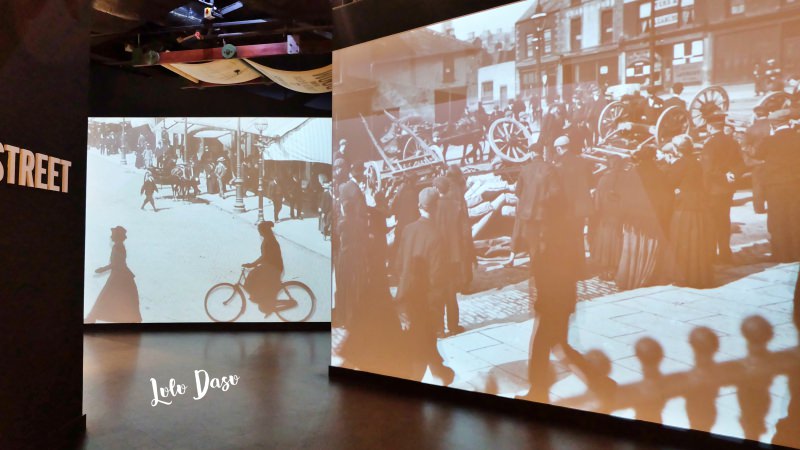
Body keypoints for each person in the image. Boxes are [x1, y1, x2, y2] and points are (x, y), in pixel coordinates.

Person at [394, 187, 455, 385]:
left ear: (419, 206)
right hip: (425, 305)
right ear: (436, 207)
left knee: (418, 348)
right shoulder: (437, 236)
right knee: (420, 355)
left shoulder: (408, 229)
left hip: (405, 300)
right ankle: (440, 373)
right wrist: (437, 314)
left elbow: (398, 264)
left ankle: (440, 372)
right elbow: (437, 279)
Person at [616, 146, 672, 290]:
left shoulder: (632, 173)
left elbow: (623, 195)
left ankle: (630, 278)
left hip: (633, 217)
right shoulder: (660, 173)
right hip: (652, 216)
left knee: (633, 246)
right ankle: (647, 275)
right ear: (653, 157)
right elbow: (665, 198)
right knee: (650, 246)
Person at [665, 135, 715, 288]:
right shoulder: (696, 162)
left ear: (676, 149)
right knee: (697, 241)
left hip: (685, 206)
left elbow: (669, 182)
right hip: (699, 204)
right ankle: (699, 275)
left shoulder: (679, 164)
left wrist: (669, 165)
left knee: (683, 240)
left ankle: (684, 277)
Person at [755, 109, 800, 262]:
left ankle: (781, 253)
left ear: (773, 124)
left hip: (775, 186)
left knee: (777, 219)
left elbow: (757, 154)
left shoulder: (769, 141)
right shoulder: (798, 138)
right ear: (789, 121)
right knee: (795, 217)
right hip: (796, 184)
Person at [700, 113, 745, 263]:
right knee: (724, 220)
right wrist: (732, 174)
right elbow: (741, 163)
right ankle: (725, 253)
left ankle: (712, 255)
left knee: (712, 223)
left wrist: (705, 190)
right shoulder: (732, 142)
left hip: (713, 190)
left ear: (709, 127)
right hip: (727, 189)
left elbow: (708, 170)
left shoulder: (709, 145)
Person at [432, 176, 472, 335]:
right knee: (451, 292)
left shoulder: (432, 207)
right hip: (454, 256)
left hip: (437, 255)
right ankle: (453, 325)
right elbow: (465, 232)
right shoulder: (456, 206)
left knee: (437, 292)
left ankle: (439, 328)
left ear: (436, 189)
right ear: (448, 189)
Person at [553, 135, 594, 279]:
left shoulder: (558, 165)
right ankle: (581, 271)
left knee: (566, 238)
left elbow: (555, 188)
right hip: (581, 208)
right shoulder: (581, 161)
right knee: (578, 238)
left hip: (566, 209)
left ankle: (569, 271)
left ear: (559, 148)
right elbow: (591, 182)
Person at [85, 226, 142, 323]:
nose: (111, 236)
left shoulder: (118, 247)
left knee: (105, 297)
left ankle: (91, 318)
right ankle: (92, 318)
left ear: (117, 236)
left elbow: (117, 263)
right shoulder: (119, 246)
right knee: (118, 297)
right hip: (120, 275)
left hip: (119, 276)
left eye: (113, 234)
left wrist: (103, 269)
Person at [590, 156, 625, 280]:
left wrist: (597, 212)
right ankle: (614, 268)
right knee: (617, 240)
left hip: (605, 215)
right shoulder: (625, 178)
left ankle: (605, 269)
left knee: (605, 241)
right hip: (620, 215)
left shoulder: (604, 178)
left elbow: (598, 199)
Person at [243, 221, 284, 316]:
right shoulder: (268, 238)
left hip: (273, 267)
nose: (259, 232)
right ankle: (263, 300)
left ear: (264, 231)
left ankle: (261, 299)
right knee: (257, 277)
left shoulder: (269, 240)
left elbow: (264, 257)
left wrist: (252, 264)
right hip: (271, 265)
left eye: (260, 230)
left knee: (253, 275)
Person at [744, 106, 772, 214]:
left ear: (756, 115)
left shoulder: (751, 129)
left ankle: (759, 208)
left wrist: (754, 154)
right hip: (772, 160)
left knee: (757, 186)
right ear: (768, 113)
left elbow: (745, 146)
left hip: (757, 162)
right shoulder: (772, 126)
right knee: (772, 184)